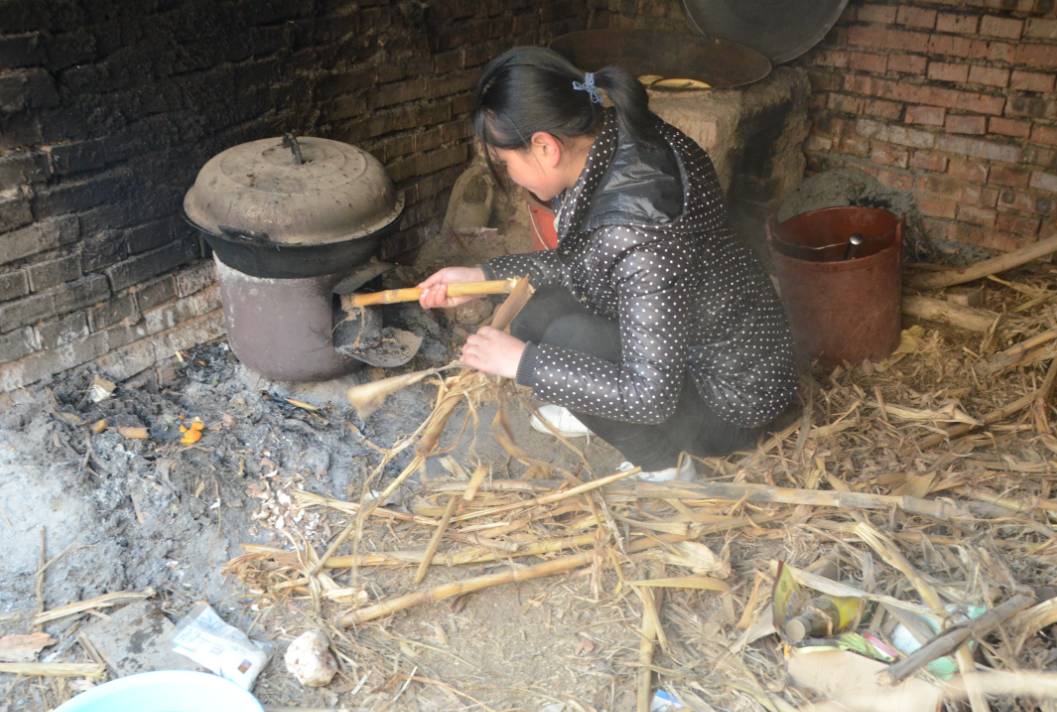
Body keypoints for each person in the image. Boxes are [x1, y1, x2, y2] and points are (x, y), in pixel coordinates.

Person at [418, 46, 797, 482]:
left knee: (563, 340)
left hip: (732, 403)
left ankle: (667, 469)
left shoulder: (640, 228)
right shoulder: (621, 133)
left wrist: (524, 364)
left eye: (506, 164)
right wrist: (484, 276)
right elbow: (585, 261)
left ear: (545, 147)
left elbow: (650, 397)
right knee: (538, 315)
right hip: (720, 347)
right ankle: (593, 404)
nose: (512, 177)